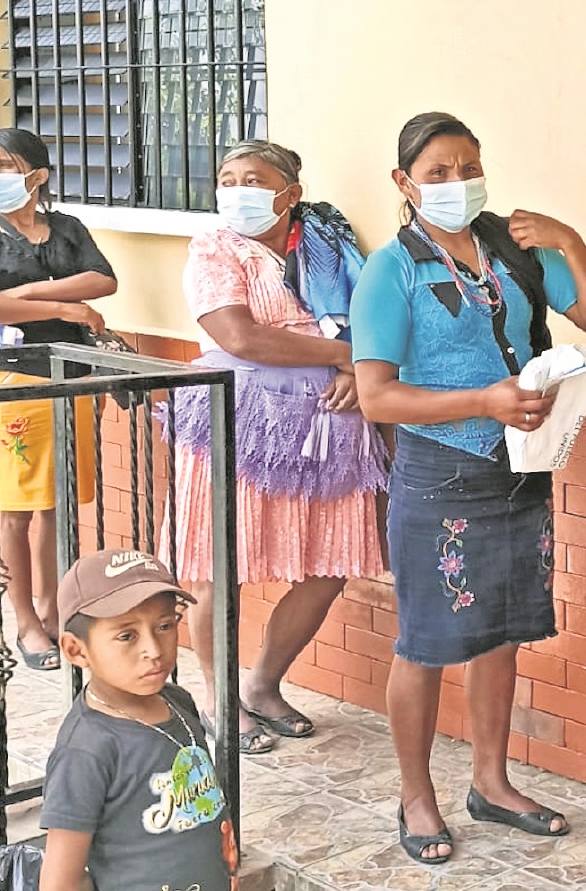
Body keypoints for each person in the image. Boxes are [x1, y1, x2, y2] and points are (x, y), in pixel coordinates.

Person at [351, 111, 586, 863]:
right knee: (428, 642)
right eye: (438, 172)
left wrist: (569, 240)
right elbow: (376, 395)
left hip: (520, 467)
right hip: (440, 472)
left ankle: (491, 783)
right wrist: (484, 400)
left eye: (468, 166)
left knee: (499, 630)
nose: (457, 182)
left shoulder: (510, 246)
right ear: (404, 184)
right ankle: (417, 795)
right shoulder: (392, 268)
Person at [165, 140, 387, 755]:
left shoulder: (328, 244)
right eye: (227, 179)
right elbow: (240, 336)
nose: (237, 191)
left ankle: (262, 685)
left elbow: (373, 318)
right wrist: (346, 355)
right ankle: (217, 699)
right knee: (218, 569)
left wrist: (352, 369)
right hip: (239, 420)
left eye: (253, 179)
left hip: (329, 424)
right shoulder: (214, 247)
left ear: (289, 192)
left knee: (329, 564)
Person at [0, 128, 115, 671]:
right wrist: (65, 310)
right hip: (19, 381)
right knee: (20, 506)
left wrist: (22, 293)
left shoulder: (65, 228)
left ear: (37, 176)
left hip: (74, 378)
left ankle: (52, 608)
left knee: (57, 502)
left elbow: (102, 279)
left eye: (4, 164)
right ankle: (25, 621)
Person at [39, 548, 238, 891]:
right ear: (76, 650)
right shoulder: (86, 749)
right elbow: (60, 882)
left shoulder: (178, 703)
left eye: (164, 626)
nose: (154, 649)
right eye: (127, 636)